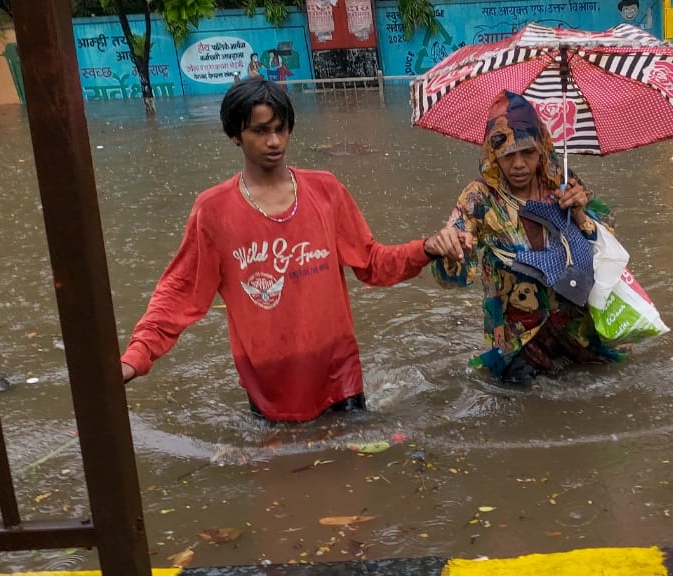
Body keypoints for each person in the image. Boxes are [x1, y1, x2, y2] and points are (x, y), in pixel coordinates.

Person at [119, 77, 473, 421]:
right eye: (259, 131)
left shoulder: (326, 191)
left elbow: (373, 263)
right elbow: (179, 294)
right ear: (233, 136)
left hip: (339, 375)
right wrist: (136, 356)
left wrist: (427, 248)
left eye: (281, 128)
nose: (274, 141)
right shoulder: (213, 211)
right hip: (269, 387)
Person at [432, 90, 628, 386]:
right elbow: (454, 277)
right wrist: (449, 250)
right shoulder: (479, 197)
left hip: (577, 326)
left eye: (528, 152)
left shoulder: (561, 181)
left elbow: (610, 242)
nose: (520, 164)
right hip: (518, 339)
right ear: (493, 154)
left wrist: (580, 213)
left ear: (542, 148)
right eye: (508, 155)